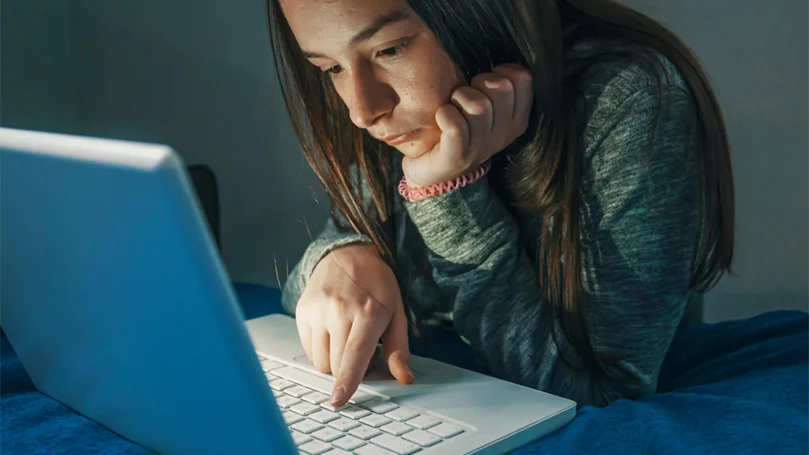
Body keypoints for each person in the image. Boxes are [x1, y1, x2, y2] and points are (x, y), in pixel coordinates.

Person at [269, 0, 735, 409]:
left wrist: (447, 192)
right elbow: (309, 288)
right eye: (330, 68)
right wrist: (339, 255)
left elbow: (607, 395)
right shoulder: (399, 112)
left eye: (390, 49)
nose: (362, 110)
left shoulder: (627, 100)